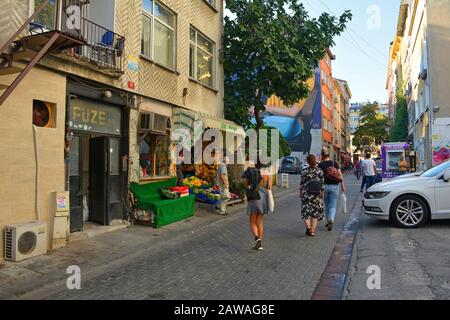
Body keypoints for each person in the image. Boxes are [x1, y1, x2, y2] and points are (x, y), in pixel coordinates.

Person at [319, 147, 346, 231]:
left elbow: (319, 177)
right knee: (333, 205)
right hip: (335, 186)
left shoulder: (320, 164)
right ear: (328, 154)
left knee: (327, 205)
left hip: (324, 187)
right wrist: (342, 185)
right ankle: (331, 220)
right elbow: (340, 175)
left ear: (322, 155)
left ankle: (328, 221)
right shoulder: (335, 163)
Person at [243, 166, 269, 251]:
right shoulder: (266, 173)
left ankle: (257, 238)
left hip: (254, 196)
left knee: (252, 222)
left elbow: (246, 185)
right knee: (260, 222)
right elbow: (269, 186)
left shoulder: (252, 171)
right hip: (264, 197)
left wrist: (249, 187)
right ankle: (260, 244)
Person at [300, 155, 324, 237]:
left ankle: (308, 227)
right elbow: (322, 184)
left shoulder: (304, 171)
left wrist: (300, 192)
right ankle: (312, 232)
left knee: (306, 212)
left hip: (307, 194)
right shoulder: (320, 171)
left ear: (307, 162)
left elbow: (302, 184)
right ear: (315, 161)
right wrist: (322, 193)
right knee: (315, 213)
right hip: (317, 195)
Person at [216, 150, 230, 215]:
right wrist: (225, 183)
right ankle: (222, 211)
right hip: (222, 184)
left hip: (221, 184)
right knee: (224, 197)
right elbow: (223, 175)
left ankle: (223, 210)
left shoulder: (221, 165)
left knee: (223, 197)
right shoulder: (223, 166)